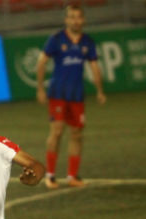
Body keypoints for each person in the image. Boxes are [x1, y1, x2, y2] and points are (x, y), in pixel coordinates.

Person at [35, 4, 106, 190]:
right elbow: (41, 62)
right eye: (72, 17)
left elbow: (95, 67)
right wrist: (40, 89)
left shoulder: (88, 42)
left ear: (83, 20)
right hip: (58, 94)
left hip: (77, 95)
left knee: (76, 134)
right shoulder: (56, 39)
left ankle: (72, 176)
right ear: (66, 20)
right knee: (57, 132)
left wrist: (100, 90)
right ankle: (50, 175)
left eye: (78, 17)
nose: (75, 20)